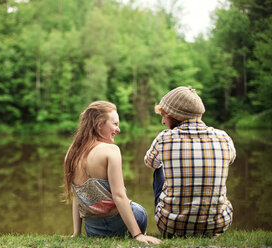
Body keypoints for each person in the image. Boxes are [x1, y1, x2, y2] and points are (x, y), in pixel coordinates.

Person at [64, 101, 161, 245]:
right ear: (99, 125)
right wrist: (138, 235)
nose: (118, 129)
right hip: (122, 223)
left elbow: (77, 195)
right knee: (137, 210)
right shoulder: (111, 150)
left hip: (93, 229)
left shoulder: (72, 152)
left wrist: (76, 233)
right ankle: (134, 232)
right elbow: (119, 195)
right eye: (115, 124)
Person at [144, 86, 236, 237]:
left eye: (163, 115)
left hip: (171, 227)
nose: (162, 121)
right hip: (217, 225)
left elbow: (150, 163)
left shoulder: (164, 138)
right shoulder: (223, 137)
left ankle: (175, 213)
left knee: (159, 169)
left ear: (174, 116)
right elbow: (231, 159)